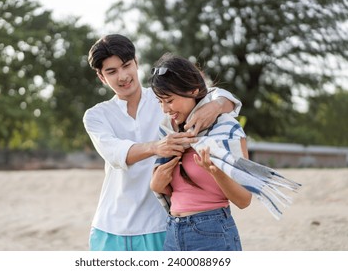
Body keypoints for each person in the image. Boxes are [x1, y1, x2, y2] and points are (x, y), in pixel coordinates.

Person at [83, 34, 242, 251]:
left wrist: (217, 105)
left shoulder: (164, 99)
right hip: (110, 226)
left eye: (126, 65)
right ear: (102, 77)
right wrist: (157, 147)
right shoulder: (96, 115)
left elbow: (210, 94)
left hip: (160, 224)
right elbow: (115, 153)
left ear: (136, 63)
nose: (123, 76)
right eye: (111, 71)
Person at [149, 53, 252, 251]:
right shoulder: (167, 132)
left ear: (193, 90)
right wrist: (157, 184)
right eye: (159, 101)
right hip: (172, 231)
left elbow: (244, 199)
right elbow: (175, 192)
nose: (164, 109)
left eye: (169, 100)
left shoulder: (227, 130)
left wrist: (215, 170)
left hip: (212, 232)